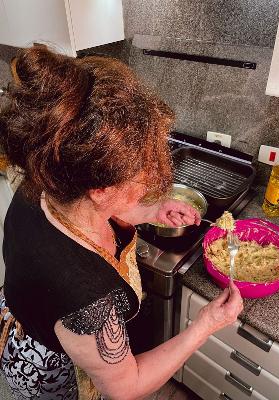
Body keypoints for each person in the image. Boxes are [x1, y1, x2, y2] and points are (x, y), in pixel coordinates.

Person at [0, 46, 243, 400]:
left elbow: (90, 207)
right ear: (101, 190)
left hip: (26, 313)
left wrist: (149, 211)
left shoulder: (46, 176)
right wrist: (206, 324)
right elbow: (126, 387)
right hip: (48, 368)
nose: (150, 185)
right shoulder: (89, 302)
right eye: (142, 178)